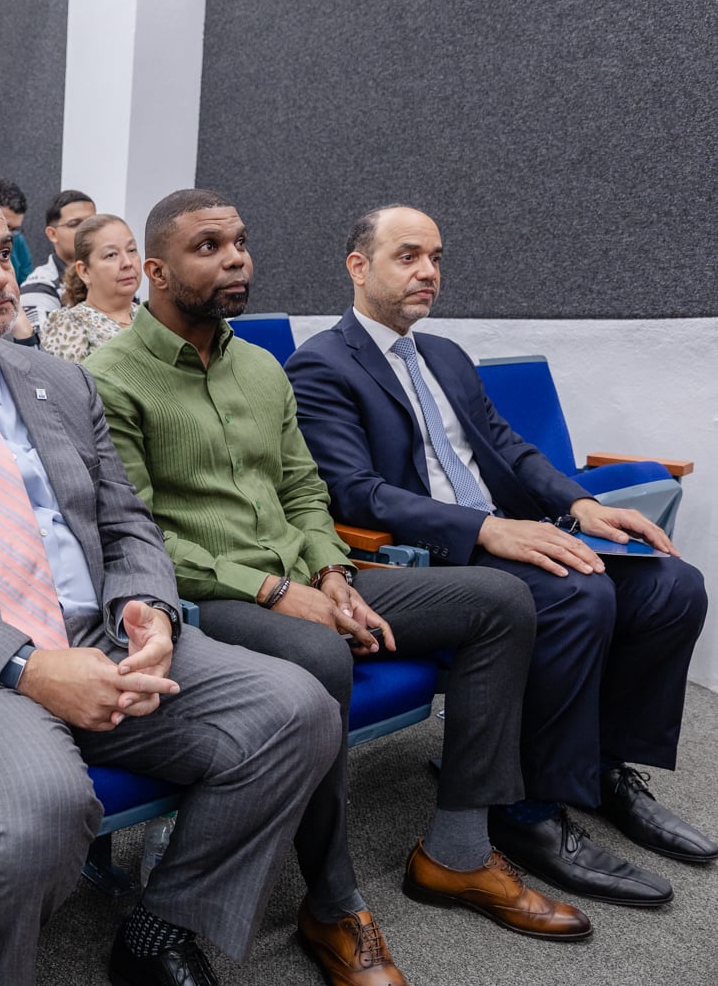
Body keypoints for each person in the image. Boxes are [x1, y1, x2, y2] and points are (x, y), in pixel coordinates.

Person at [0, 179, 340, 986]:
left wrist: (147, 609)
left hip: (99, 637)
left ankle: (162, 925)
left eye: (1, 254)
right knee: (39, 807)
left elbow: (127, 522)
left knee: (296, 711)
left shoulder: (58, 382)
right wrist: (29, 666)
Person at [89, 190, 591, 984]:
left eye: (241, 242)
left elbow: (304, 490)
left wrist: (330, 572)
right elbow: (137, 534)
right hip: (209, 594)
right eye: (209, 247)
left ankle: (458, 852)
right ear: (155, 270)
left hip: (309, 576)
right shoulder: (109, 379)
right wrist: (273, 591)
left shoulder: (261, 368)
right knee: (319, 653)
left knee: (500, 603)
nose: (236, 259)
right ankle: (333, 902)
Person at [285, 204, 714, 907]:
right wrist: (484, 531)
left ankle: (602, 770)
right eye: (408, 256)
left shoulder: (446, 356)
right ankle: (526, 810)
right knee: (580, 594)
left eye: (436, 258)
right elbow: (356, 492)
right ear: (358, 267)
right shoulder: (321, 365)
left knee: (673, 586)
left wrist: (580, 504)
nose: (428, 271)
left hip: (504, 534)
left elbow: (508, 449)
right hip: (429, 559)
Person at [41, 213, 141, 364]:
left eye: (132, 250)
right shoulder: (69, 323)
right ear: (84, 271)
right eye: (111, 255)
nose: (127, 263)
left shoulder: (150, 316)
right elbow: (68, 378)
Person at [21, 189, 96, 329]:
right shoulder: (40, 284)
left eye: (92, 223)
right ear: (52, 234)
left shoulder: (110, 273)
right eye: (75, 224)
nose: (87, 230)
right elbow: (41, 341)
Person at [0, 178, 35, 283]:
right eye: (6, 226)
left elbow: (26, 283)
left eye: (15, 229)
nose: (9, 235)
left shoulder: (17, 239)